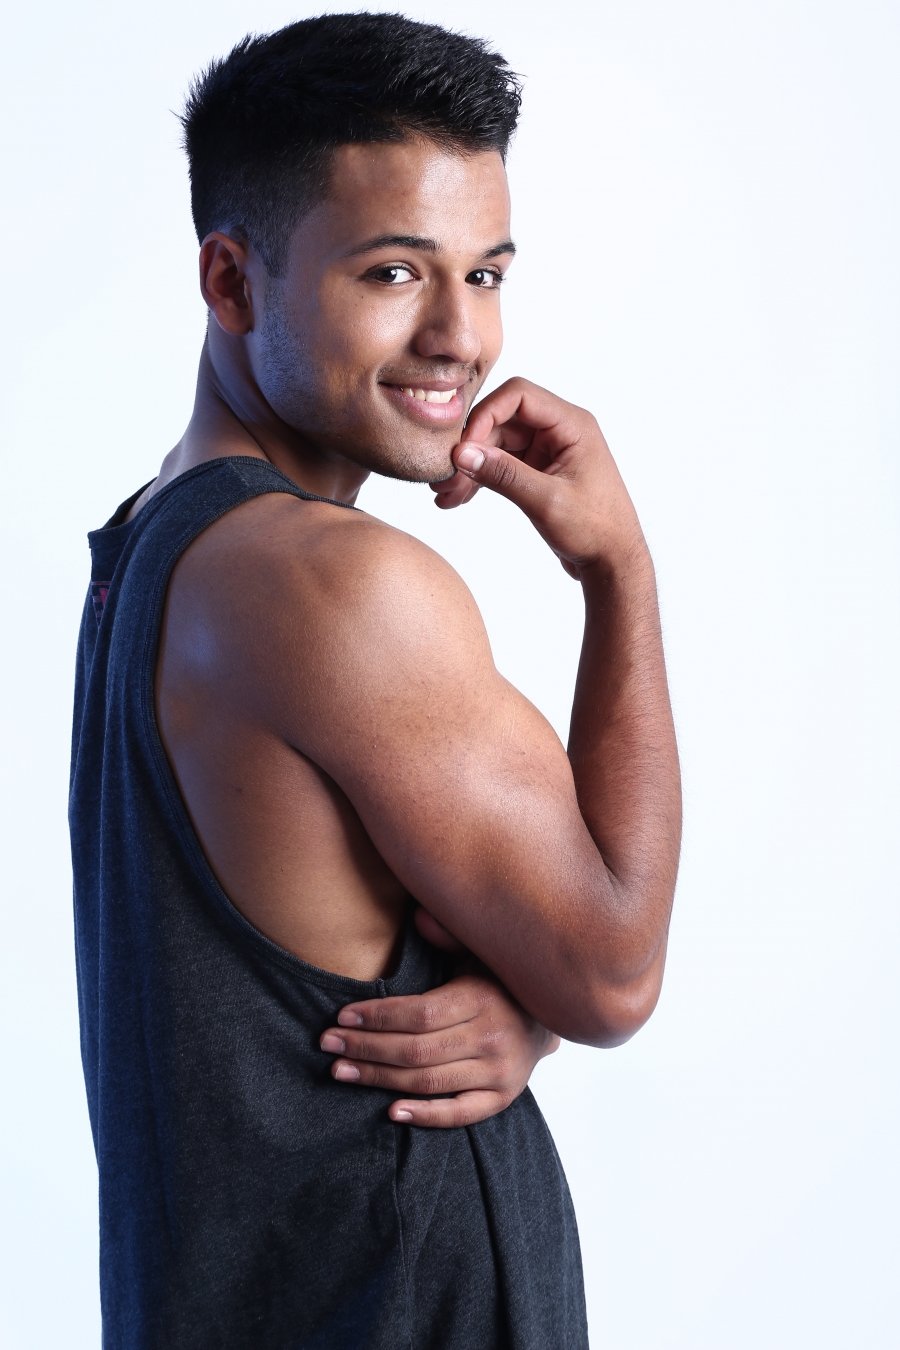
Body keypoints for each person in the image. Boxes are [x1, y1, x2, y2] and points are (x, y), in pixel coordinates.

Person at [69, 12, 681, 1348]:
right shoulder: (338, 584)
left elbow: (307, 949)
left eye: (487, 272)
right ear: (232, 282)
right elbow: (613, 970)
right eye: (396, 271)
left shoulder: (151, 544)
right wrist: (619, 571)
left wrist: (522, 1007)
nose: (461, 335)